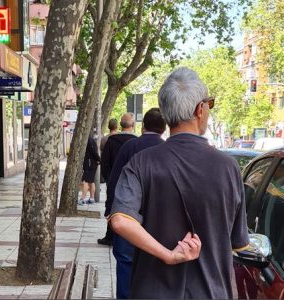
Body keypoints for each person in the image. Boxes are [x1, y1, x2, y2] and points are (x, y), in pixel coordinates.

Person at [109, 67, 249, 299]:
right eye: (209, 105)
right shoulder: (228, 167)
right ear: (200, 109)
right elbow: (237, 242)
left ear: (165, 112)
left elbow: (120, 221)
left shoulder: (141, 163)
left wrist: (168, 254)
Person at [106, 108, 166, 299]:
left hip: (127, 219)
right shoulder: (168, 150)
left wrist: (110, 210)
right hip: (158, 224)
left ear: (142, 127)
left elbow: (114, 181)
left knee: (125, 265)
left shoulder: (129, 147)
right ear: (164, 129)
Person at [98, 113, 136, 245]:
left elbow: (105, 162)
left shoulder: (112, 141)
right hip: (132, 182)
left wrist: (109, 178)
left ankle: (110, 235)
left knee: (113, 205)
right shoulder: (136, 142)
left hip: (114, 180)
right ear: (133, 125)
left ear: (121, 125)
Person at [78, 134, 100, 205]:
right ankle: (91, 199)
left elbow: (93, 152)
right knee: (91, 181)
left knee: (85, 181)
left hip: (89, 164)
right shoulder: (91, 140)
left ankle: (83, 199)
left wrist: (99, 159)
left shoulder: (89, 141)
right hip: (92, 163)